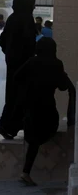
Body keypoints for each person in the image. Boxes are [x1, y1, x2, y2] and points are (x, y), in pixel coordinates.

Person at [13, 37, 75, 186]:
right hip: (47, 110)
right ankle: (26, 173)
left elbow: (17, 77)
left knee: (33, 137)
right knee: (42, 133)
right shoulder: (56, 64)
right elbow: (63, 87)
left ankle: (26, 172)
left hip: (30, 108)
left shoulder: (32, 62)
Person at [0, 0, 38, 139]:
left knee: (13, 94)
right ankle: (8, 126)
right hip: (23, 63)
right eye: (32, 3)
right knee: (21, 95)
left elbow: (2, 40)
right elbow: (29, 42)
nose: (34, 6)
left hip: (13, 62)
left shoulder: (13, 18)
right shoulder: (26, 19)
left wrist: (9, 53)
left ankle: (9, 127)